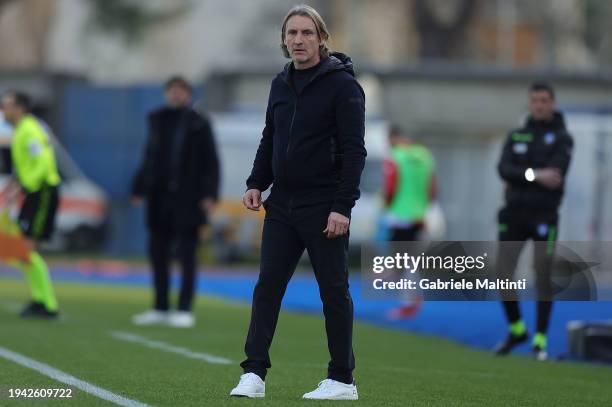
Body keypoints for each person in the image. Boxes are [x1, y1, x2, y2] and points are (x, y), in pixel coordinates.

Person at [229, 5, 366, 400]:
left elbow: (355, 151)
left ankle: (342, 379)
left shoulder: (343, 86)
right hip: (282, 204)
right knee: (267, 287)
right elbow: (270, 137)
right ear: (283, 40)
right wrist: (257, 182)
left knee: (333, 291)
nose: (298, 40)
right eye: (292, 33)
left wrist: (343, 206)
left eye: (307, 33)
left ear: (322, 38)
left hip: (325, 206)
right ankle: (253, 373)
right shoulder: (280, 83)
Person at [131, 76, 219, 329]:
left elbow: (211, 161)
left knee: (187, 254)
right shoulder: (156, 119)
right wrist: (138, 187)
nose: (176, 94)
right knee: (157, 252)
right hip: (158, 197)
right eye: (172, 90)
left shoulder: (199, 123)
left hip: (188, 199)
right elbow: (148, 155)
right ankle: (160, 307)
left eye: (181, 90)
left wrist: (210, 194)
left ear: (188, 94)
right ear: (166, 93)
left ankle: (184, 309)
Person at [494, 82, 573, 361]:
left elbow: (555, 175)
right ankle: (517, 330)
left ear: (552, 103)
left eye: (544, 100)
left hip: (544, 216)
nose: (539, 105)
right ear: (530, 103)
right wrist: (534, 175)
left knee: (543, 277)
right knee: (503, 274)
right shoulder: (517, 135)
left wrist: (521, 174)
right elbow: (502, 168)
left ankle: (540, 339)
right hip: (514, 214)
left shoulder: (562, 138)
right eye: (535, 100)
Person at [0, 90, 60, 318]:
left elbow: (43, 164)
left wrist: (28, 186)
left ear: (20, 108)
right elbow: (23, 166)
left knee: (25, 249)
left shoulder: (30, 130)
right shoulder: (21, 130)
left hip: (42, 191)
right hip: (34, 191)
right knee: (21, 251)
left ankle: (48, 304)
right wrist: (10, 189)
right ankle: (41, 300)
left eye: (7, 105)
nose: (4, 110)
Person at [383, 126, 436, 320]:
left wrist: (387, 206)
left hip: (399, 215)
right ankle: (413, 300)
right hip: (419, 214)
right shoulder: (424, 155)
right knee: (410, 260)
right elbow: (432, 187)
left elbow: (390, 186)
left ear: (394, 138)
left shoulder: (395, 156)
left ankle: (408, 304)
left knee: (401, 263)